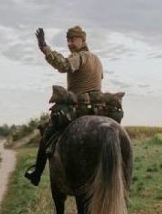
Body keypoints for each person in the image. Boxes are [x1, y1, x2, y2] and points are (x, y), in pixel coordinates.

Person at [23, 25, 103, 186]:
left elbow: (63, 65)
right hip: (98, 108)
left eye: (73, 39)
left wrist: (44, 48)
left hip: (80, 107)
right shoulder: (97, 60)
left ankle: (37, 174)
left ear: (83, 40)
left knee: (47, 134)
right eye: (68, 40)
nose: (70, 43)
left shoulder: (80, 57)